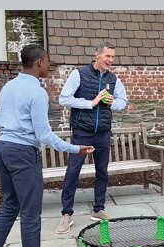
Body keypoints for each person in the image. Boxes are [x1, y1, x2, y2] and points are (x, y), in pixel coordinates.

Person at [0, 44, 94, 247]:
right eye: (48, 61)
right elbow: (44, 135)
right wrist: (75, 149)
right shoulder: (37, 92)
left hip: (3, 147)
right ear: (39, 62)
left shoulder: (8, 87)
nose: (49, 66)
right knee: (30, 212)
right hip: (23, 153)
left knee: (10, 205)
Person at [56, 42, 129, 232]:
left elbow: (123, 102)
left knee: (102, 172)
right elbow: (64, 98)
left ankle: (99, 209)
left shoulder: (113, 79)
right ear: (97, 55)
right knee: (73, 172)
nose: (111, 61)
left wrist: (113, 102)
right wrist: (92, 102)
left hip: (103, 133)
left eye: (113, 57)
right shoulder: (79, 74)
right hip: (82, 132)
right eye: (108, 56)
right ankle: (66, 214)